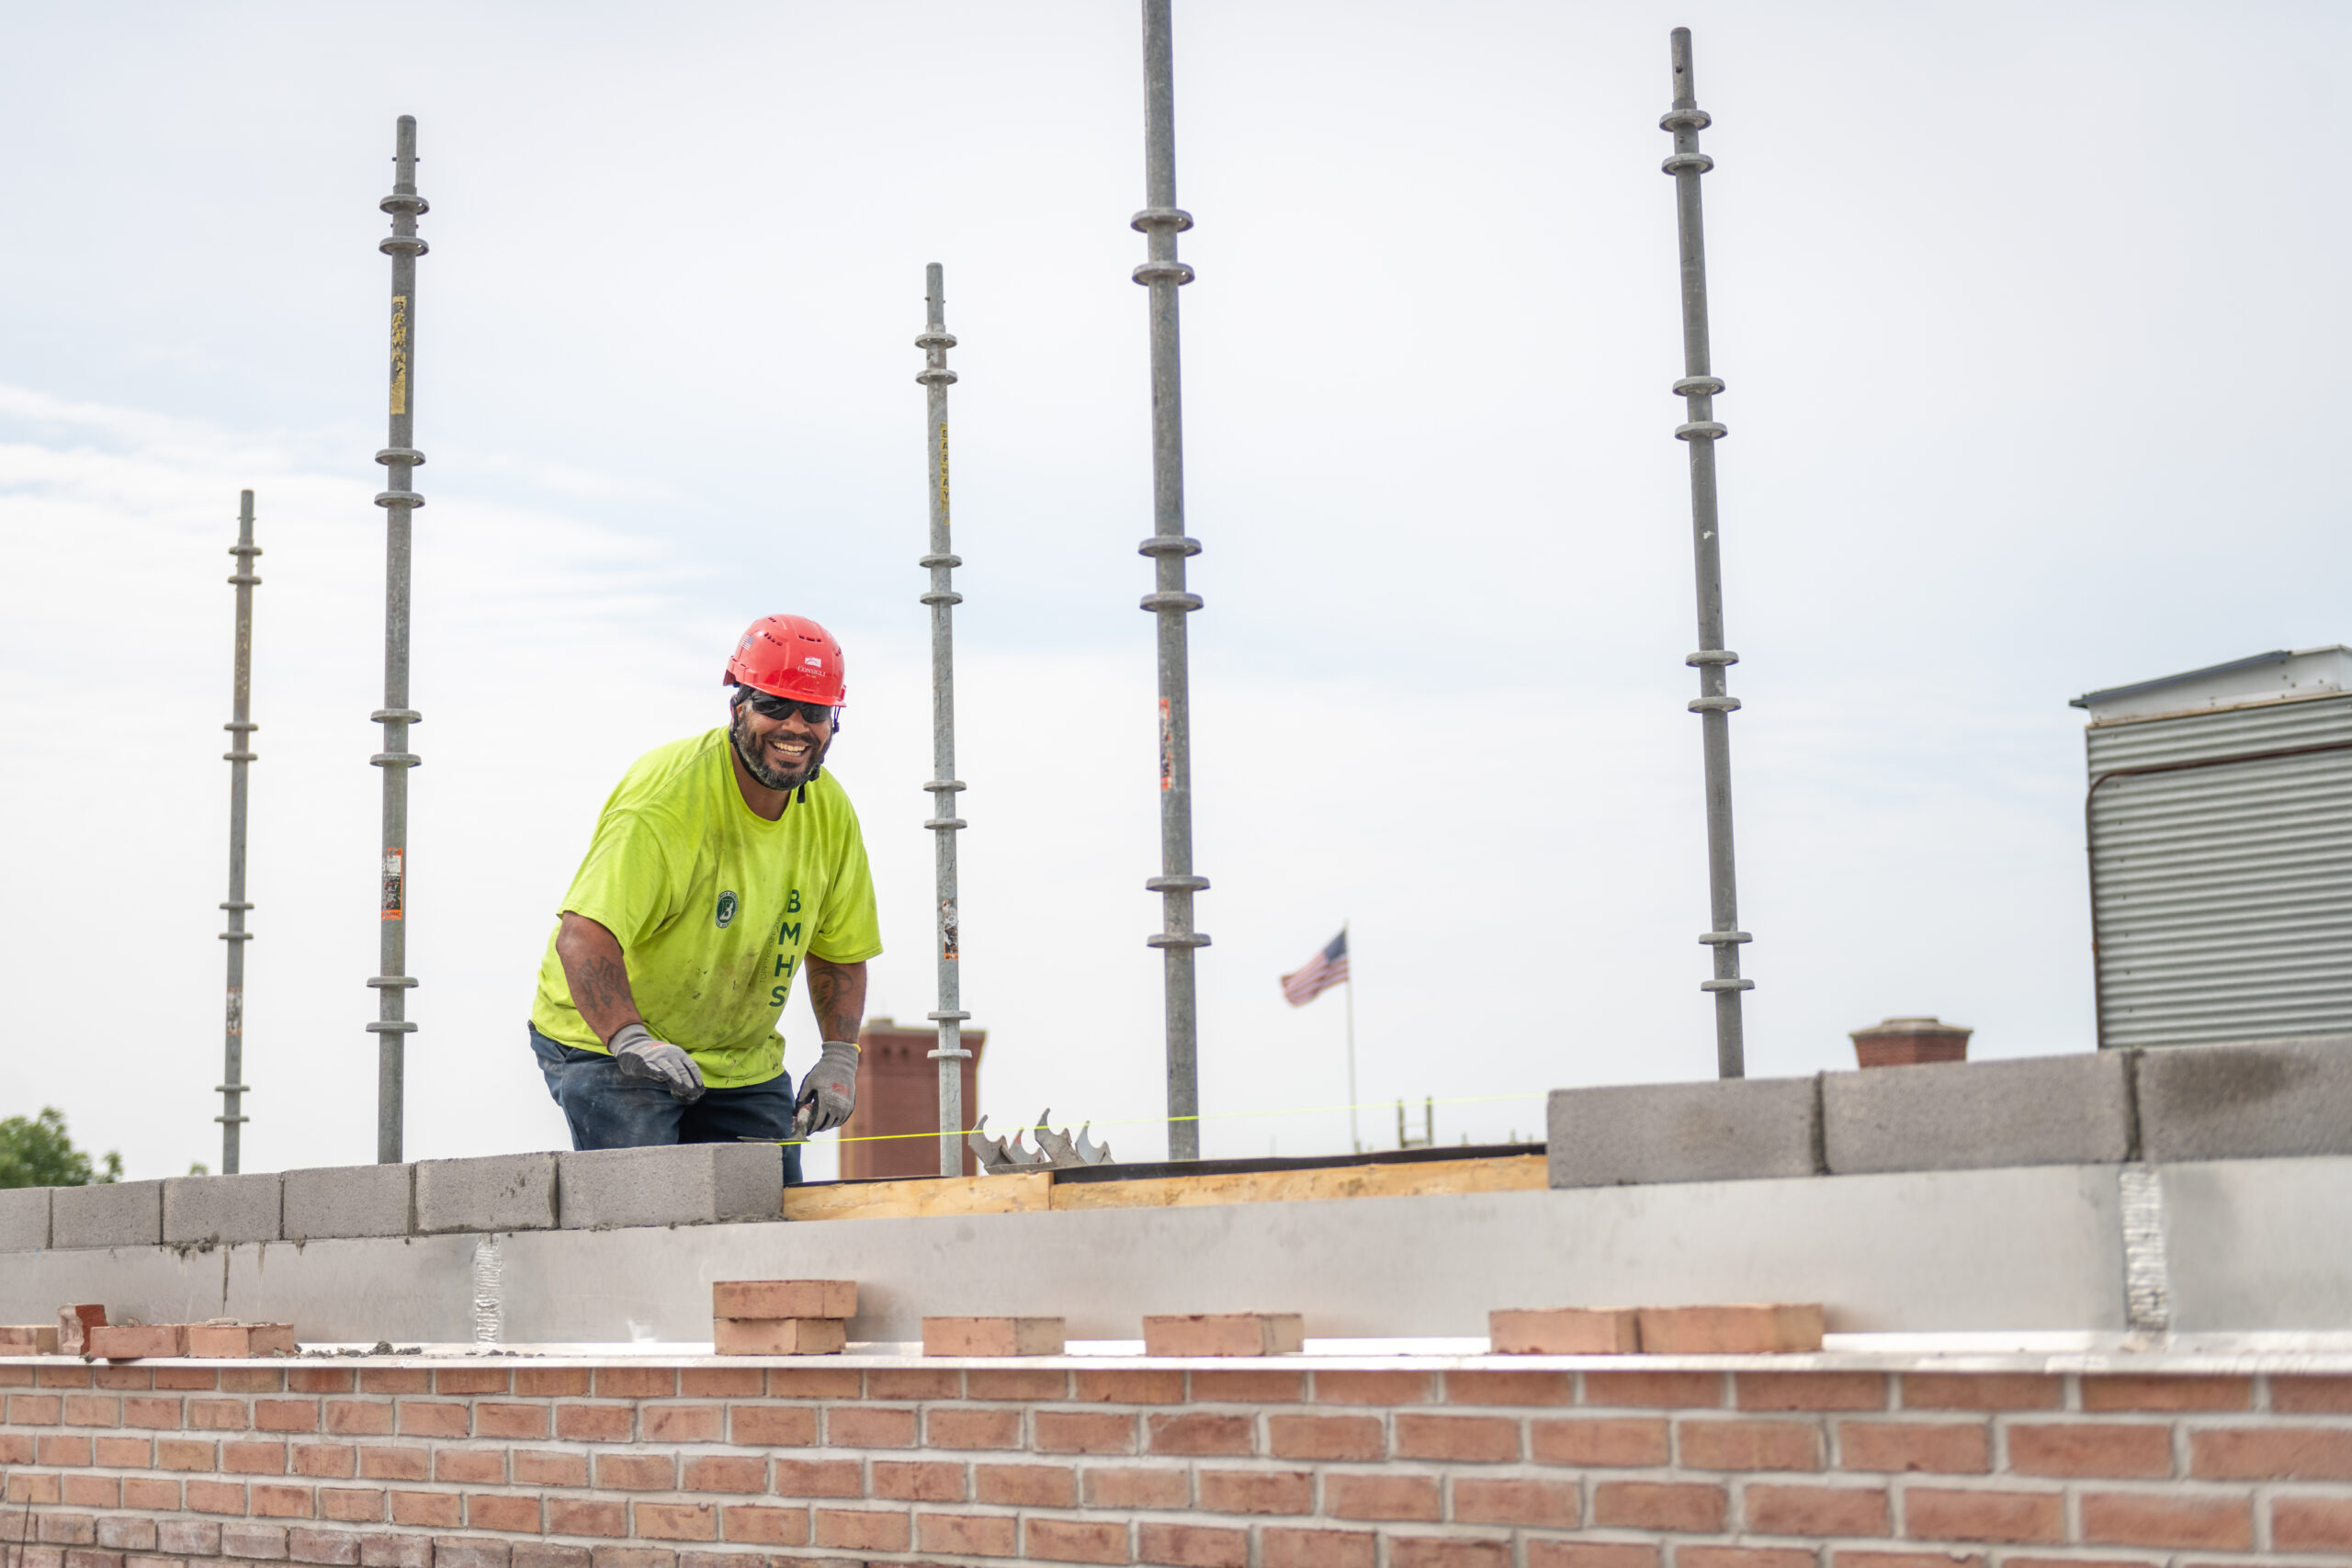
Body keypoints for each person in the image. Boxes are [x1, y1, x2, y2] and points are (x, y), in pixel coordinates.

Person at [526, 614, 881, 1177]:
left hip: (739, 1061)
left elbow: (839, 950)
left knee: (765, 1221)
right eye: (775, 706)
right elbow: (584, 935)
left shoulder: (830, 815)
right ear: (738, 707)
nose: (796, 727)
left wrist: (840, 1058)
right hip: (611, 1043)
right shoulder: (667, 799)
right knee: (650, 1217)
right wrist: (631, 1039)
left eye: (814, 713)